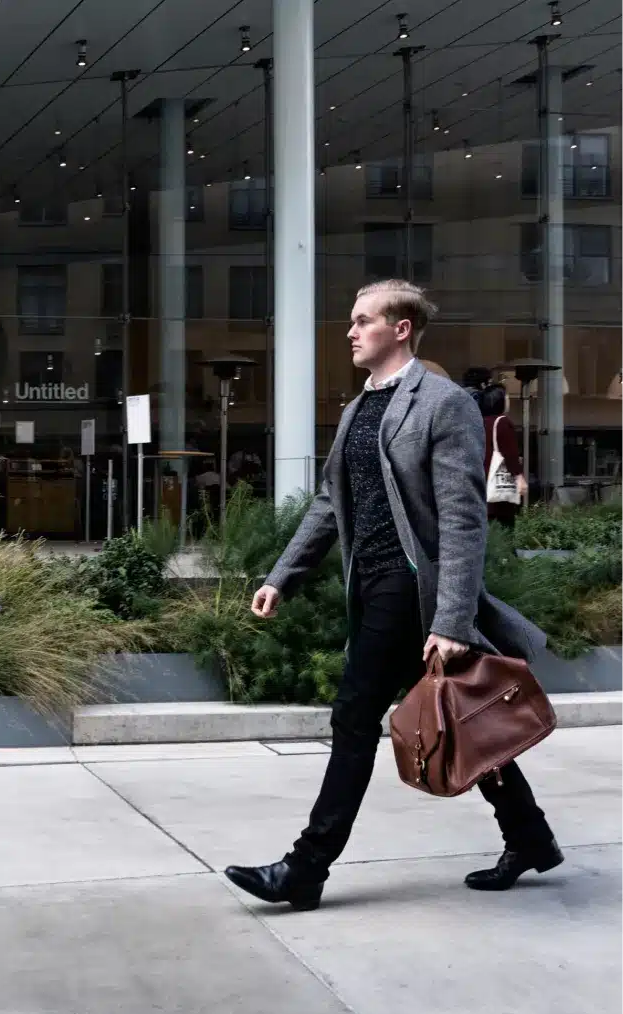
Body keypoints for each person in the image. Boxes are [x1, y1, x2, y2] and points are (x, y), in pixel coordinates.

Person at [225, 280, 561, 911]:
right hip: (372, 583)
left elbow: (463, 518)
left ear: (400, 329)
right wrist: (280, 577)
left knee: (355, 717)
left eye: (362, 321)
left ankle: (305, 869)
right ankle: (531, 837)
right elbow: (330, 504)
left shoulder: (443, 403)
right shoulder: (358, 410)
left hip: (412, 589)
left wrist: (452, 618)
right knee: (456, 714)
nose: (350, 332)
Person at [479, 383, 528, 527]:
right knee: (505, 526)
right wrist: (519, 477)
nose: (508, 400)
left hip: (482, 483)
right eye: (506, 396)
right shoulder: (502, 422)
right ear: (498, 400)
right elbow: (510, 453)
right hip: (498, 487)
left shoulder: (479, 422)